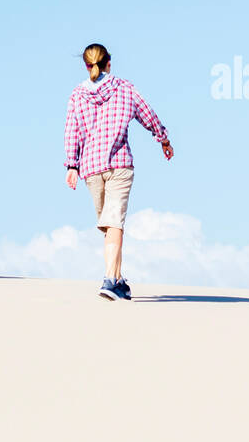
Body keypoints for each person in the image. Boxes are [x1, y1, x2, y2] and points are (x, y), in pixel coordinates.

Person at [64, 43, 173, 300]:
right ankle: (113, 280)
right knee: (112, 225)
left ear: (87, 65)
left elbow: (72, 131)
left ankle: (115, 281)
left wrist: (72, 165)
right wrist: (164, 139)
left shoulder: (77, 95)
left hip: (91, 168)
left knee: (112, 224)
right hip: (119, 163)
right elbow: (148, 115)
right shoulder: (124, 88)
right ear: (109, 63)